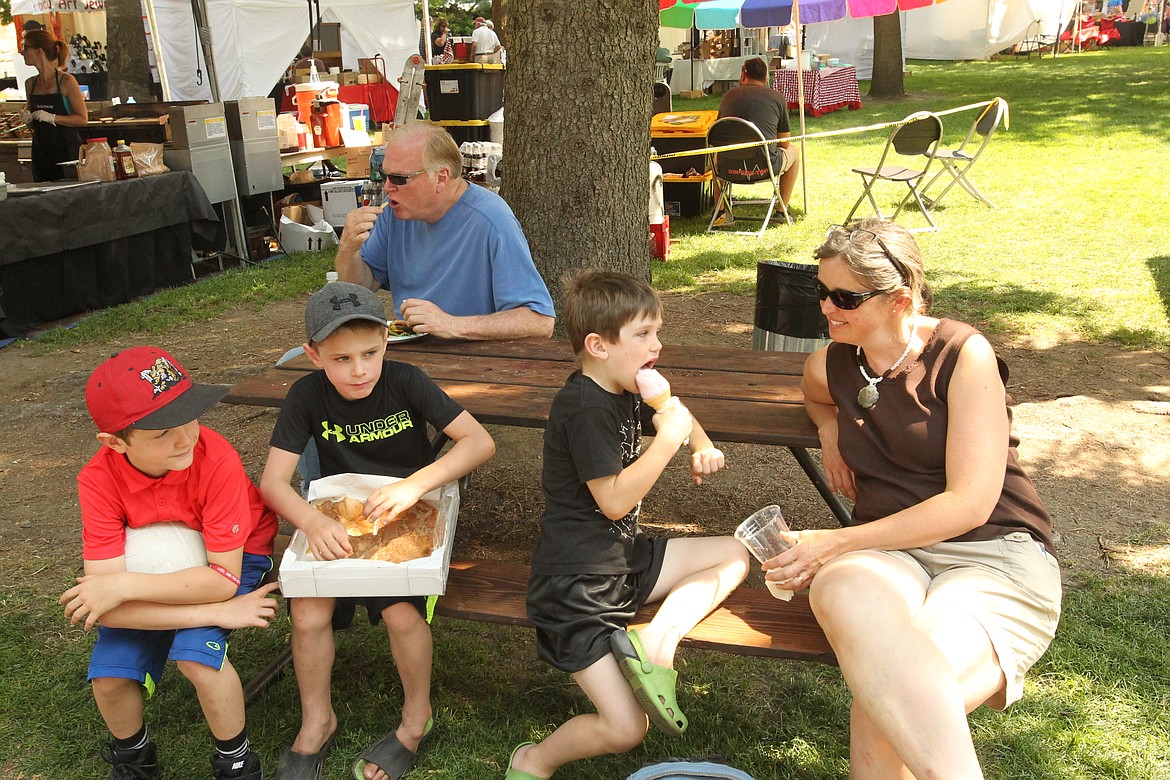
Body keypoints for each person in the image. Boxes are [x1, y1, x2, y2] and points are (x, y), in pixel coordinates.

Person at [780, 219, 1062, 779]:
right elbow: (816, 394)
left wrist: (836, 540)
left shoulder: (962, 354)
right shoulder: (836, 359)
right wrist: (831, 433)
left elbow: (969, 503)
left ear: (899, 300)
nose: (826, 307)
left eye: (844, 297)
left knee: (892, 701)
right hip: (891, 554)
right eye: (821, 290)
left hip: (991, 553)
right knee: (839, 587)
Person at [505, 270, 749, 779]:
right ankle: (534, 760)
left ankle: (657, 640)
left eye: (656, 332)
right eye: (643, 335)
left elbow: (672, 410)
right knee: (624, 729)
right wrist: (667, 443)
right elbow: (614, 501)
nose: (657, 345)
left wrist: (699, 442)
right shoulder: (583, 408)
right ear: (598, 345)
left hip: (623, 562)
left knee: (735, 551)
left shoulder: (623, 385)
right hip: (576, 587)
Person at [260, 281, 496, 780]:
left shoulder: (407, 380)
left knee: (401, 617)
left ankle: (416, 720)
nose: (359, 369)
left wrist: (415, 485)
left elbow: (478, 442)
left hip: (407, 519)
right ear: (313, 354)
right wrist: (309, 519)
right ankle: (317, 721)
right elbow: (273, 483)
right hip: (339, 518)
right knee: (306, 614)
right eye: (341, 358)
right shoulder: (306, 395)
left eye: (370, 353)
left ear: (388, 341)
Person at [61, 346, 281, 780]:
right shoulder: (97, 479)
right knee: (108, 677)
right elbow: (108, 599)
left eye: (189, 417)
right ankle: (134, 758)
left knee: (197, 659)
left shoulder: (215, 458)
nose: (185, 438)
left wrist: (123, 587)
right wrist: (218, 612)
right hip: (162, 578)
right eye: (161, 432)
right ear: (114, 443)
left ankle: (237, 763)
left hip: (234, 556)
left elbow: (221, 580)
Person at [337, 121, 555, 340]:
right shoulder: (395, 212)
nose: (387, 187)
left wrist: (451, 324)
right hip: (414, 355)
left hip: (476, 362)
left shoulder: (491, 220)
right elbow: (360, 289)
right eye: (385, 175)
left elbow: (539, 321)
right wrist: (348, 250)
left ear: (441, 177)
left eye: (398, 179)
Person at [713, 56, 801, 219]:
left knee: (716, 153)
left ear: (743, 75)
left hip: (727, 168)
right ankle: (781, 210)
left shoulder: (728, 96)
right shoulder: (777, 98)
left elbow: (718, 136)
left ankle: (720, 211)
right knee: (794, 152)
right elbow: (784, 143)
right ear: (765, 77)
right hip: (764, 167)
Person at [20, 28, 87, 182]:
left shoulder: (66, 81)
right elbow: (33, 126)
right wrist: (28, 119)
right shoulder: (30, 83)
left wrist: (53, 117)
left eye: (25, 47)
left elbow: (82, 119)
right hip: (41, 151)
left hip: (67, 151)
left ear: (39, 51)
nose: (22, 52)